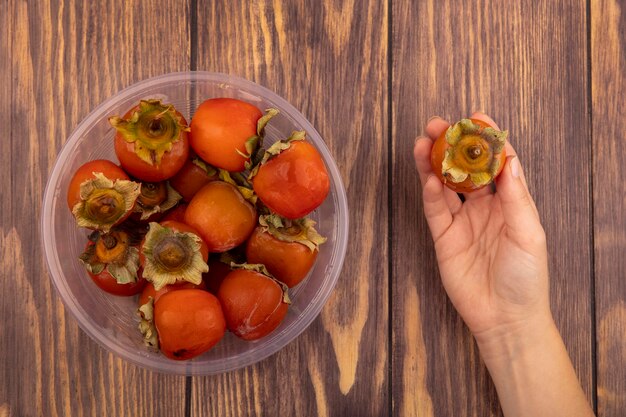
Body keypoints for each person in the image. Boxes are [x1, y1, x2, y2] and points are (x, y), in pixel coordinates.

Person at [413, 112, 595, 417]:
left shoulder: (459, 160)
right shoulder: (480, 156)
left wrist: (514, 324)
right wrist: (515, 327)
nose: (476, 151)